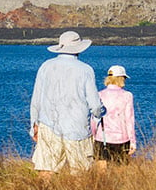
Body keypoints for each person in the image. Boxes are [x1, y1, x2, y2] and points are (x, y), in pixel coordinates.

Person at [29, 30, 105, 178]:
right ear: (79, 49)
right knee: (80, 173)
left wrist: (34, 125)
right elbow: (95, 105)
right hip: (77, 127)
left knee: (46, 170)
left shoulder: (46, 66)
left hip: (48, 125)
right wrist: (101, 112)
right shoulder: (85, 70)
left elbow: (36, 99)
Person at [91, 65, 136, 168]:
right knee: (120, 172)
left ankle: (101, 185)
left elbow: (94, 118)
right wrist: (132, 142)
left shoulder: (99, 94)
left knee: (101, 173)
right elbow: (129, 120)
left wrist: (93, 135)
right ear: (120, 78)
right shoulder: (127, 95)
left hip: (102, 138)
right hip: (121, 139)